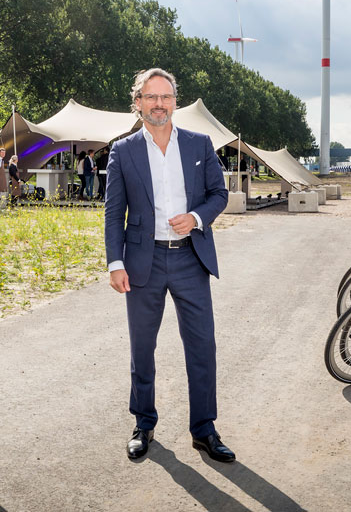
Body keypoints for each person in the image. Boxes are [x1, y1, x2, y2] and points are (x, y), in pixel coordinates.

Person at [105, 68, 233, 462]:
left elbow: (218, 194)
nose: (158, 104)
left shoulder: (199, 144)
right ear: (138, 102)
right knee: (143, 347)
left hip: (190, 259)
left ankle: (204, 429)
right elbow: (114, 214)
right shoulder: (122, 151)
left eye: (166, 96)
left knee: (202, 346)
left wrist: (196, 217)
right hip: (143, 262)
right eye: (150, 96)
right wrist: (115, 262)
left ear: (175, 102)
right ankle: (143, 422)